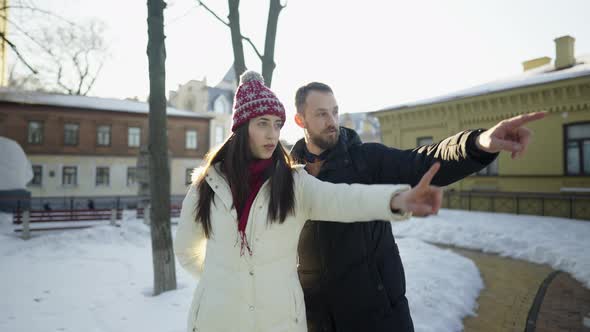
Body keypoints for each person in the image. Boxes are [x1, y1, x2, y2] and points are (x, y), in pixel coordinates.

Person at [173, 71, 444, 332]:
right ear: (242, 128)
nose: (272, 135)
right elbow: (186, 251)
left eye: (277, 124)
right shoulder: (207, 186)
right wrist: (226, 282)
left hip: (279, 323)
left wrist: (398, 199)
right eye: (262, 124)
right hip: (217, 321)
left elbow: (344, 199)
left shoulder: (293, 184)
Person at [290, 82, 546, 332]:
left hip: (377, 315)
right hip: (317, 318)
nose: (332, 121)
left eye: (334, 111)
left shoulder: (366, 160)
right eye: (321, 114)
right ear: (300, 120)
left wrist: (478, 144)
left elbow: (422, 161)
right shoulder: (288, 174)